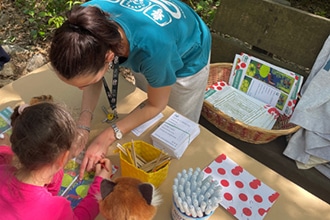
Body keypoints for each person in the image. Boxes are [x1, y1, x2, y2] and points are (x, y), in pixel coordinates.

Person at [49, 0, 211, 179]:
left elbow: (155, 105)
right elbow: (93, 70)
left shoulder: (154, 52)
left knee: (177, 127)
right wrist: (84, 124)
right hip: (151, 45)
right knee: (147, 115)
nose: (81, 89)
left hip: (188, 51)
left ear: (109, 56)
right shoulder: (85, 26)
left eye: (85, 84)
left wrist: (107, 136)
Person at [0, 102, 112, 219]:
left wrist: (4, 149)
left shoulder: (2, 169)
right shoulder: (56, 209)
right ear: (64, 157)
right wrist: (100, 184)